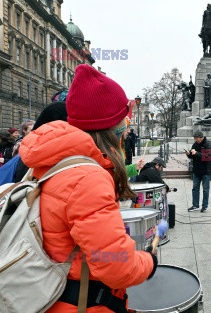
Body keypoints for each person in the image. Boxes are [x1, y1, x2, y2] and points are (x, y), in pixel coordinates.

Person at [19, 64, 159, 312]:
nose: (126, 129)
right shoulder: (87, 178)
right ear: (109, 125)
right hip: (82, 302)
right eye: (123, 120)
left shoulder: (54, 162)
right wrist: (149, 261)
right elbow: (118, 268)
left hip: (51, 296)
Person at [186, 130, 211, 212]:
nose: (195, 140)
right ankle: (195, 205)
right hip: (196, 170)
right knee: (195, 188)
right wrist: (189, 154)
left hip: (205, 171)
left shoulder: (207, 144)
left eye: (197, 138)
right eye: (194, 138)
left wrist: (196, 153)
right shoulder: (195, 144)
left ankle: (204, 206)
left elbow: (208, 157)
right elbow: (193, 156)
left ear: (201, 137)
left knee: (205, 189)